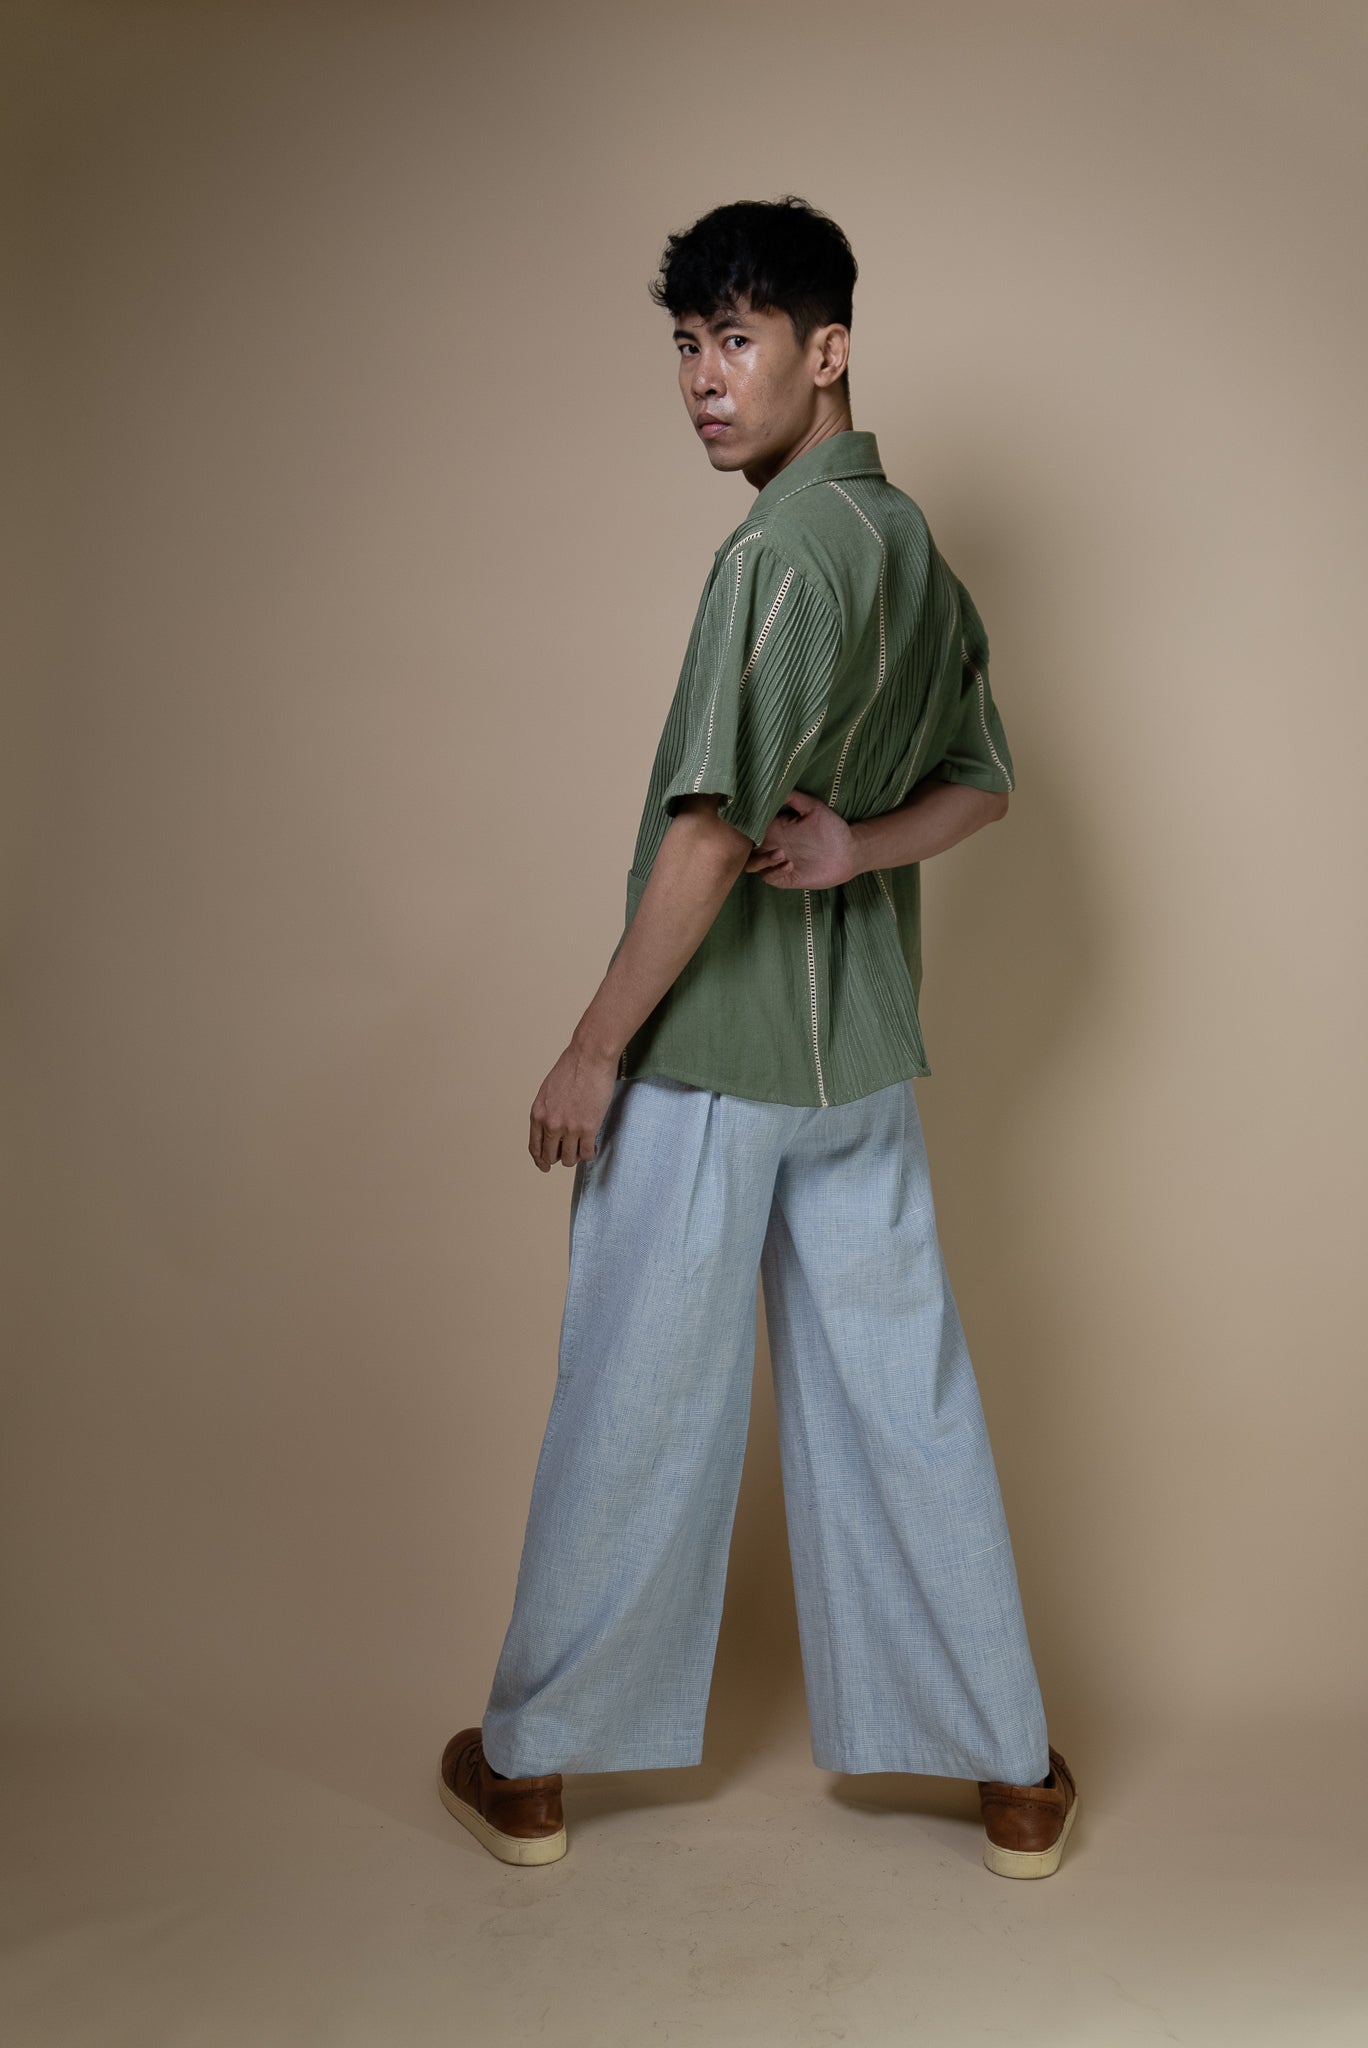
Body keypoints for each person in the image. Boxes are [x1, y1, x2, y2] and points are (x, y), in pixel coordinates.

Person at [439, 197, 1079, 1880]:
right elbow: (985, 782)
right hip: (855, 1062)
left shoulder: (778, 557)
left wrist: (595, 1047)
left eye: (737, 340)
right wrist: (859, 851)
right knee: (904, 1404)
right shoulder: (911, 548)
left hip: (716, 1061)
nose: (705, 381)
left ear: (828, 349)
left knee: (635, 1402)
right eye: (687, 346)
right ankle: (1011, 1771)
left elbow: (713, 834)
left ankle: (534, 1767)